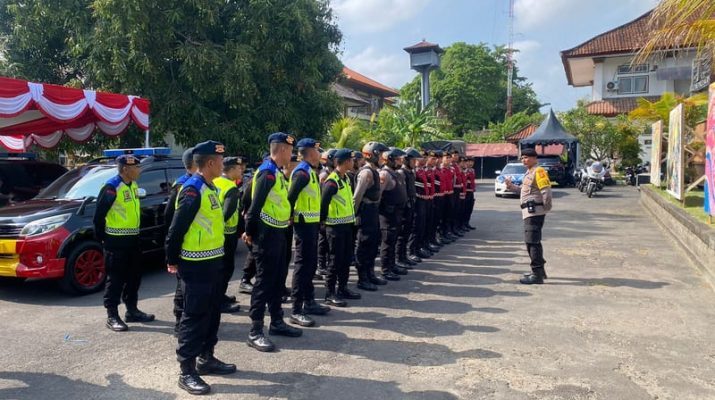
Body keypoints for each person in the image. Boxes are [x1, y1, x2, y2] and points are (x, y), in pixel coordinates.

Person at [165, 141, 236, 395]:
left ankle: (207, 358)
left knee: (212, 312)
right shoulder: (192, 189)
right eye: (220, 161)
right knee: (194, 316)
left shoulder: (211, 187)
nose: (223, 164)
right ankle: (187, 370)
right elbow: (176, 228)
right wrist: (172, 259)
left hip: (213, 261)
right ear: (209, 163)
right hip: (194, 264)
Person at [243, 132, 302, 353]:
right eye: (290, 151)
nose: (291, 155)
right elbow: (253, 206)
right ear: (283, 150)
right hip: (266, 235)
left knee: (277, 279)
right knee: (264, 282)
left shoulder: (277, 173)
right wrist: (249, 232)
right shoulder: (267, 173)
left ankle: (277, 321)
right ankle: (255, 330)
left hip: (278, 232)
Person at [94, 154, 154, 332]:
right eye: (137, 167)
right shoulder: (112, 187)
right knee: (116, 279)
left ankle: (132, 310)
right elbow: (98, 216)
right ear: (125, 169)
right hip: (116, 241)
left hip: (133, 239)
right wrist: (103, 239)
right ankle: (112, 315)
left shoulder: (133, 185)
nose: (139, 170)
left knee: (134, 277)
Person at [287, 138, 331, 326]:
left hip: (312, 224)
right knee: (302, 266)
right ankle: (296, 310)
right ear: (310, 153)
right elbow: (290, 198)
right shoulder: (302, 173)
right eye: (317, 151)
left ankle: (310, 301)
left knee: (310, 264)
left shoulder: (311, 172)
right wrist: (290, 218)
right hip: (303, 224)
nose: (320, 154)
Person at [505, 147, 553, 285]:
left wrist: (545, 208)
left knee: (532, 242)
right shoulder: (529, 172)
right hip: (529, 212)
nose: (523, 160)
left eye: (526, 157)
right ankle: (540, 271)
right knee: (533, 241)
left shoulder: (539, 171)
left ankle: (536, 274)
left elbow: (546, 191)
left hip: (535, 212)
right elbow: (524, 191)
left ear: (534, 158)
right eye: (522, 158)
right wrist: (511, 186)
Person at [321, 149, 360, 306]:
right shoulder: (332, 182)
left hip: (346, 226)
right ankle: (330, 293)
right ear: (343, 162)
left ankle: (343, 288)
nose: (353, 162)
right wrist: (323, 223)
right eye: (351, 160)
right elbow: (323, 204)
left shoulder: (345, 179)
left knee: (345, 260)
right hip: (335, 227)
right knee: (335, 260)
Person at [165, 148, 196, 335]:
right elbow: (170, 216)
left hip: (199, 248)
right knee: (182, 287)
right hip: (185, 246)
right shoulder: (183, 185)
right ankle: (180, 322)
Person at [353, 142, 390, 291]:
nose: (382, 157)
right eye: (380, 154)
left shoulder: (375, 171)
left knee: (374, 243)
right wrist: (354, 216)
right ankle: (362, 278)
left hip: (374, 210)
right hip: (366, 211)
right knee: (364, 244)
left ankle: (370, 274)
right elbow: (357, 197)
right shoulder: (366, 173)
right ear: (372, 154)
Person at [213, 157, 243, 314]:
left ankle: (220, 296)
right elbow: (228, 211)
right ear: (231, 170)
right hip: (227, 233)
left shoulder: (215, 182)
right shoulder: (230, 187)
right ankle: (218, 301)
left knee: (219, 268)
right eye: (238, 168)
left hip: (215, 233)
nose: (241, 171)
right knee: (226, 268)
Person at [379, 148, 408, 281]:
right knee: (387, 242)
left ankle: (392, 265)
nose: (399, 161)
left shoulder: (395, 173)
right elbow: (378, 195)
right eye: (397, 159)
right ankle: (385, 269)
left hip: (397, 213)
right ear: (389, 160)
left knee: (394, 239)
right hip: (388, 214)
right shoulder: (385, 174)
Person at [396, 148, 422, 266]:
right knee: (401, 235)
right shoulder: (402, 172)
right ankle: (399, 258)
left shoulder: (411, 172)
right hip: (404, 207)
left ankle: (404, 256)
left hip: (411, 204)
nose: (414, 162)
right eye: (412, 160)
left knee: (407, 232)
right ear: (406, 160)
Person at [464, 157, 476, 230]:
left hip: (471, 191)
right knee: (464, 209)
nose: (471, 163)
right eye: (469, 161)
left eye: (472, 162)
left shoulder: (472, 170)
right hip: (465, 192)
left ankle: (467, 223)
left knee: (469, 208)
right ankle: (462, 224)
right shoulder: (464, 170)